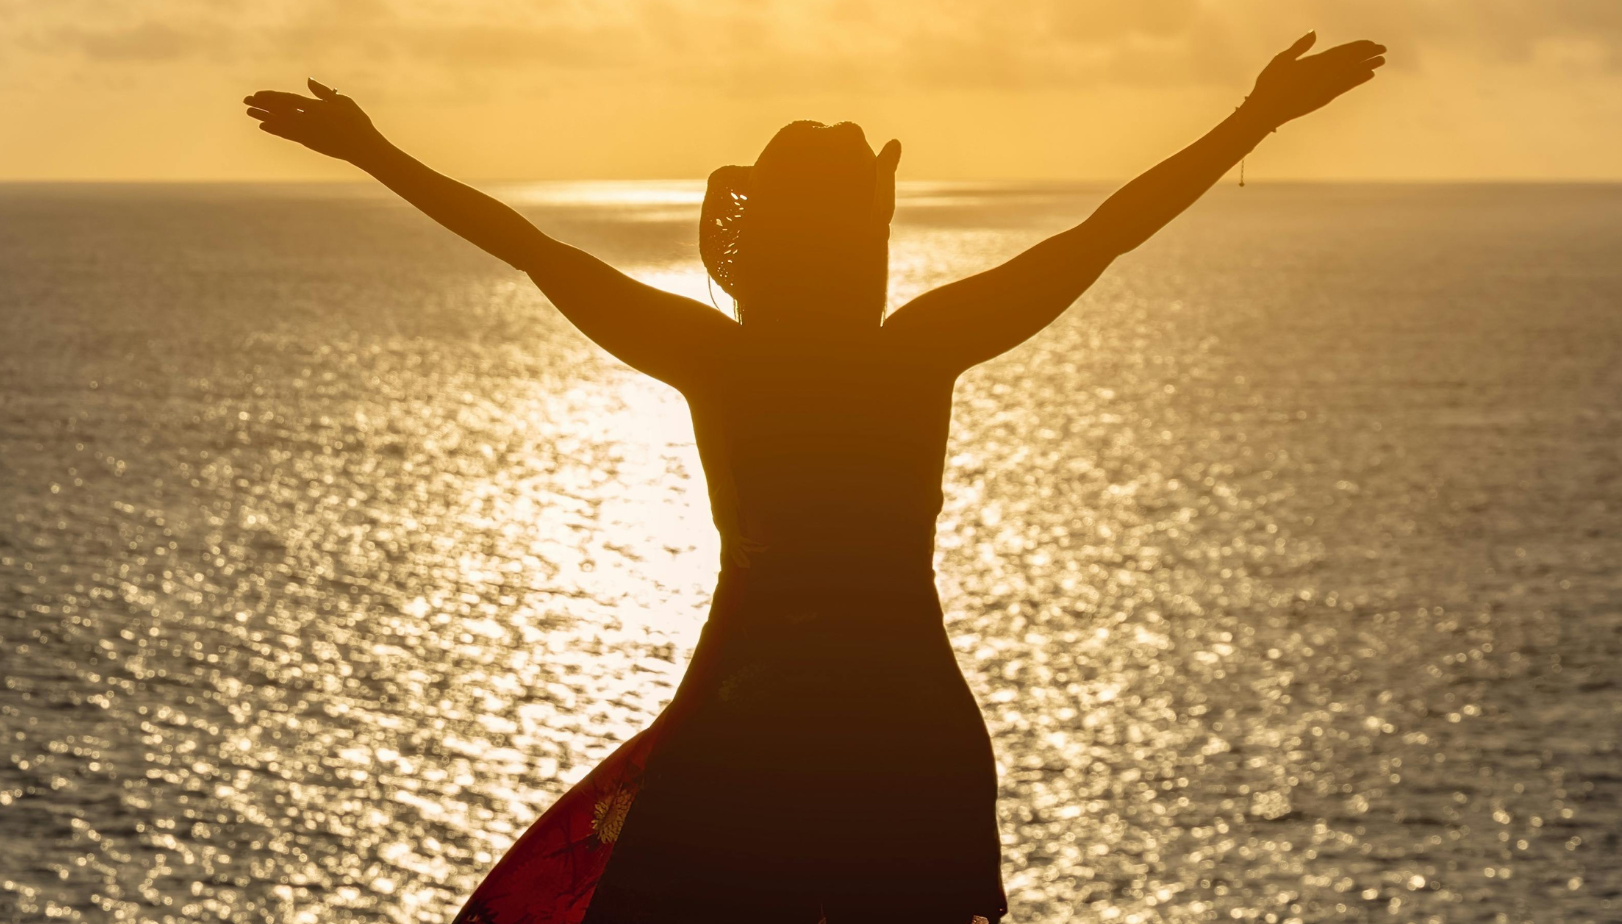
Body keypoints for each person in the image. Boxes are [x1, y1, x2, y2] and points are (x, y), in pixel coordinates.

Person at [244, 31, 1385, 924]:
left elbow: (532, 249)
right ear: (863, 242)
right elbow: (1104, 233)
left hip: (748, 729)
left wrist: (373, 151)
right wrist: (1255, 116)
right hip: (902, 727)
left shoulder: (717, 357)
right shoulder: (919, 348)